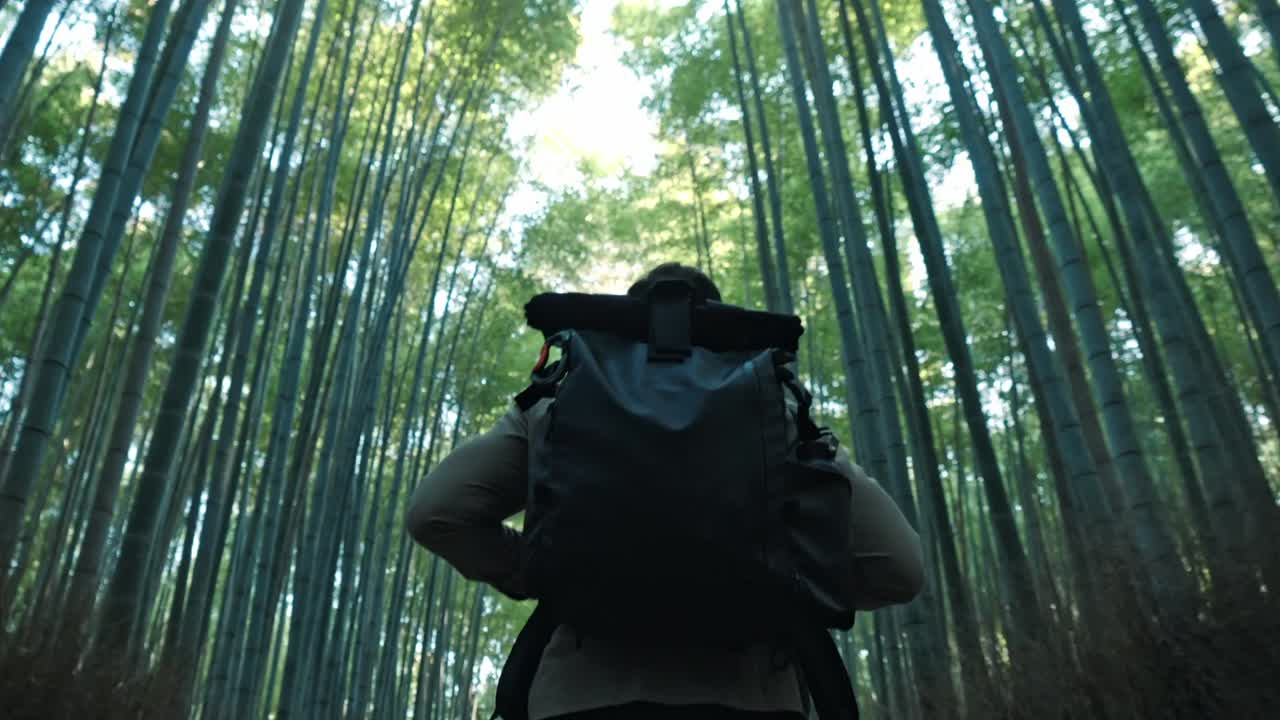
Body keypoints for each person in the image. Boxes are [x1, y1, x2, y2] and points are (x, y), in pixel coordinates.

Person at [406, 263, 924, 720]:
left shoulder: (557, 401)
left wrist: (541, 567)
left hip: (581, 697)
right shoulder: (777, 413)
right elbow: (900, 566)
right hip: (751, 698)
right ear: (720, 324)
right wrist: (788, 585)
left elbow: (437, 512)